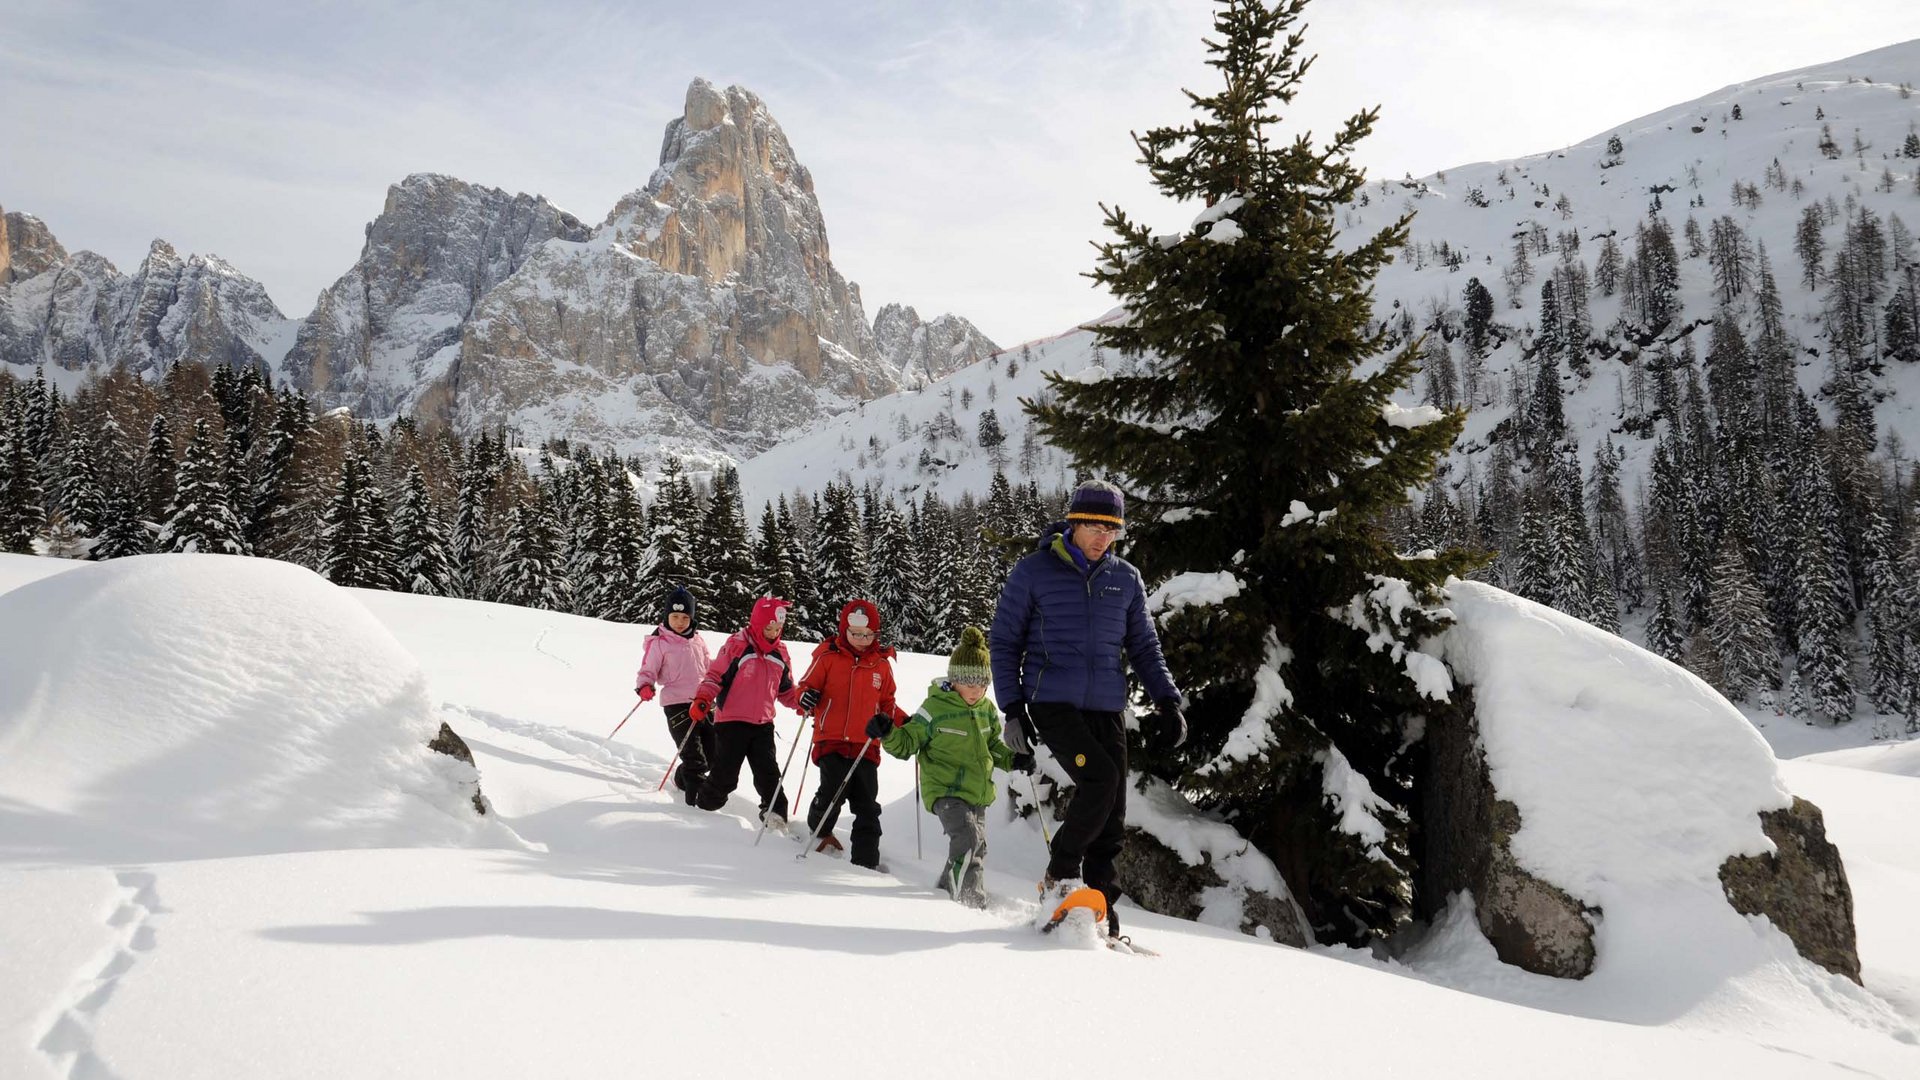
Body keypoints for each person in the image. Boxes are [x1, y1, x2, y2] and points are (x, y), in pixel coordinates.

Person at [989, 479, 1184, 929]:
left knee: (1112, 811)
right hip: (1051, 700)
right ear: (1074, 523)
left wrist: (1167, 700)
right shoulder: (1034, 571)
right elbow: (1004, 642)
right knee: (1100, 780)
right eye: (1094, 526)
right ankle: (1059, 877)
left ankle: (1099, 907)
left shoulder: (1125, 578)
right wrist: (1013, 709)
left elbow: (1144, 646)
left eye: (1111, 529)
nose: (1102, 538)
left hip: (1106, 705)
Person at [875, 625, 1019, 908]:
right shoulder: (935, 708)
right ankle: (967, 899)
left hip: (977, 792)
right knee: (967, 838)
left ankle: (947, 889)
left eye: (982, 683)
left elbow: (993, 748)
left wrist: (1015, 759)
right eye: (969, 682)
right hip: (945, 790)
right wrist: (888, 733)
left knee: (977, 846)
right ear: (954, 680)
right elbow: (907, 744)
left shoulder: (986, 710)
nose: (976, 690)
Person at [795, 599, 906, 869]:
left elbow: (888, 703)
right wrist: (805, 698)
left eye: (867, 635)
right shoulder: (827, 656)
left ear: (875, 635)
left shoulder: (880, 665)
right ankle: (820, 830)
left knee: (867, 804)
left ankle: (866, 862)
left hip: (866, 744)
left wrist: (900, 722)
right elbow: (805, 687)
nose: (861, 639)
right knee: (832, 792)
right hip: (830, 739)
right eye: (855, 634)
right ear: (844, 630)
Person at [689, 596, 803, 829]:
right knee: (726, 775)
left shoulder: (780, 653)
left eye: (778, 628)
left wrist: (802, 703)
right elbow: (715, 677)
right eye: (768, 628)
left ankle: (775, 813)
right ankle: (705, 803)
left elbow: (786, 691)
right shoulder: (738, 645)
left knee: (768, 772)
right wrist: (703, 698)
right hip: (731, 722)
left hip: (763, 724)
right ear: (756, 624)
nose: (773, 633)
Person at [634, 586, 713, 804]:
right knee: (694, 757)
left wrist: (723, 677)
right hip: (677, 705)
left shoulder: (698, 640)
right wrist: (644, 685)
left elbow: (708, 667)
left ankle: (681, 779)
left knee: (713, 755)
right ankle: (695, 804)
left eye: (685, 617)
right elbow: (647, 669)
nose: (680, 622)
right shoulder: (660, 643)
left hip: (705, 701)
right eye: (675, 616)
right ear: (667, 616)